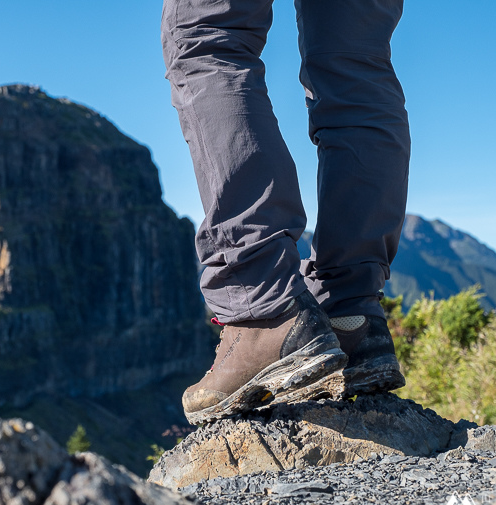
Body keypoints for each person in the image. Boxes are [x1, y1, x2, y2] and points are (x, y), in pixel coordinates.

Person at [161, 0, 410, 424]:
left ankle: (263, 309)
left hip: (265, 301)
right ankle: (351, 311)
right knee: (356, 65)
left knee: (206, 37)